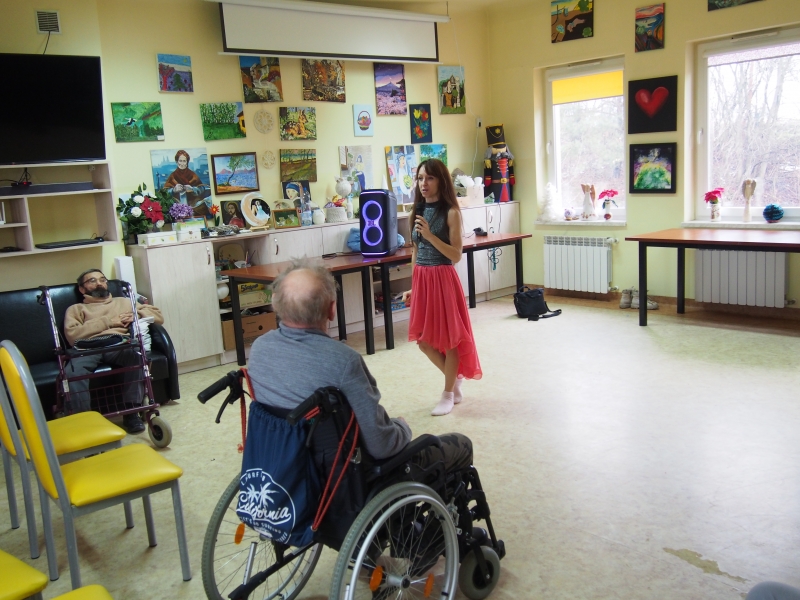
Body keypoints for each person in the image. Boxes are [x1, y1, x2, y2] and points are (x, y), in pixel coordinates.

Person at [247, 258, 473, 469]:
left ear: (276, 304)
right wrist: (402, 427)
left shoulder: (259, 350)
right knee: (461, 445)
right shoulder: (344, 362)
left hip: (280, 463)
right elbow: (382, 445)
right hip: (337, 475)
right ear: (332, 310)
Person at [402, 158, 482, 416]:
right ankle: (454, 379)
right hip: (423, 280)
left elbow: (456, 255)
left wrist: (430, 236)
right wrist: (413, 286)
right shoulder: (416, 212)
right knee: (424, 342)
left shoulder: (451, 213)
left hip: (443, 278)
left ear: (441, 181)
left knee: (450, 341)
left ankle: (448, 394)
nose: (423, 183)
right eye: (420, 178)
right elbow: (415, 252)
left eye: (430, 178)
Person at [63, 269, 164, 433]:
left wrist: (137, 315)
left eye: (102, 279)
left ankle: (132, 412)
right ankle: (83, 420)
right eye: (92, 280)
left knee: (138, 357)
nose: (99, 283)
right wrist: (109, 322)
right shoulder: (76, 309)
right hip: (88, 347)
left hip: (119, 344)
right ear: (82, 289)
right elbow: (73, 336)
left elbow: (158, 316)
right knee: (72, 372)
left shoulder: (124, 302)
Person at [163, 149, 212, 217]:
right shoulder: (172, 176)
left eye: (184, 161)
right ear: (177, 162)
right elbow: (164, 192)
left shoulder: (192, 175)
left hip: (194, 207)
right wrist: (173, 190)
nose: (182, 163)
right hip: (177, 208)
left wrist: (193, 189)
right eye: (180, 161)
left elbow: (202, 188)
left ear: (187, 162)